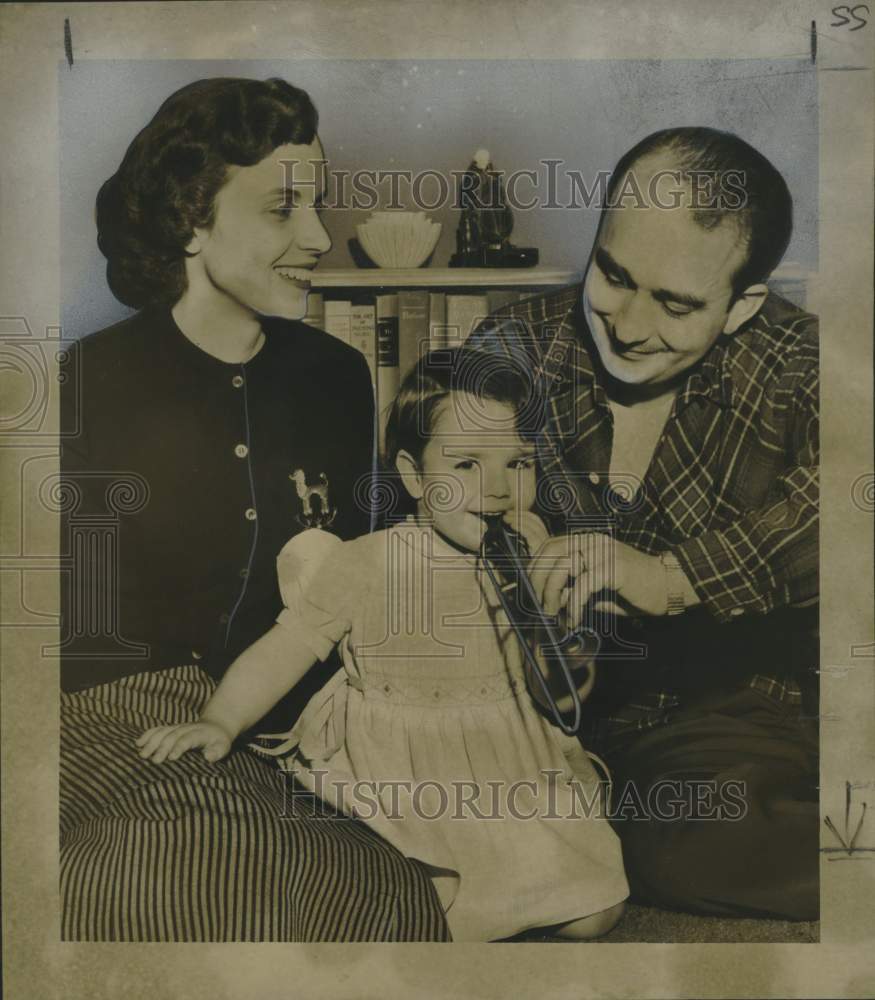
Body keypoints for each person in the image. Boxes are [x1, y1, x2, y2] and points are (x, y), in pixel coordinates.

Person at [59, 76, 448, 941]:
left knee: (392, 890)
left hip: (290, 718)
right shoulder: (82, 384)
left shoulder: (337, 378)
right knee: (186, 869)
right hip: (108, 718)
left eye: (316, 208)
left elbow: (361, 569)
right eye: (282, 211)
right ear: (189, 219)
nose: (316, 237)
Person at [137, 347, 630, 942]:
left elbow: (554, 675)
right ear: (414, 475)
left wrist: (564, 633)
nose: (498, 489)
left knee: (595, 911)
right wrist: (220, 720)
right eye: (467, 465)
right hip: (398, 775)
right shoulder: (365, 563)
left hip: (504, 763)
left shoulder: (524, 555)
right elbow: (285, 647)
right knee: (414, 904)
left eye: (519, 464)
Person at [468, 127, 819, 921]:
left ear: (741, 307)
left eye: (676, 304)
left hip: (723, 718)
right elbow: (434, 508)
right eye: (613, 274)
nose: (626, 326)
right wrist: (509, 565)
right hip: (525, 724)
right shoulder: (510, 349)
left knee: (690, 841)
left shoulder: (803, 368)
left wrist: (668, 579)